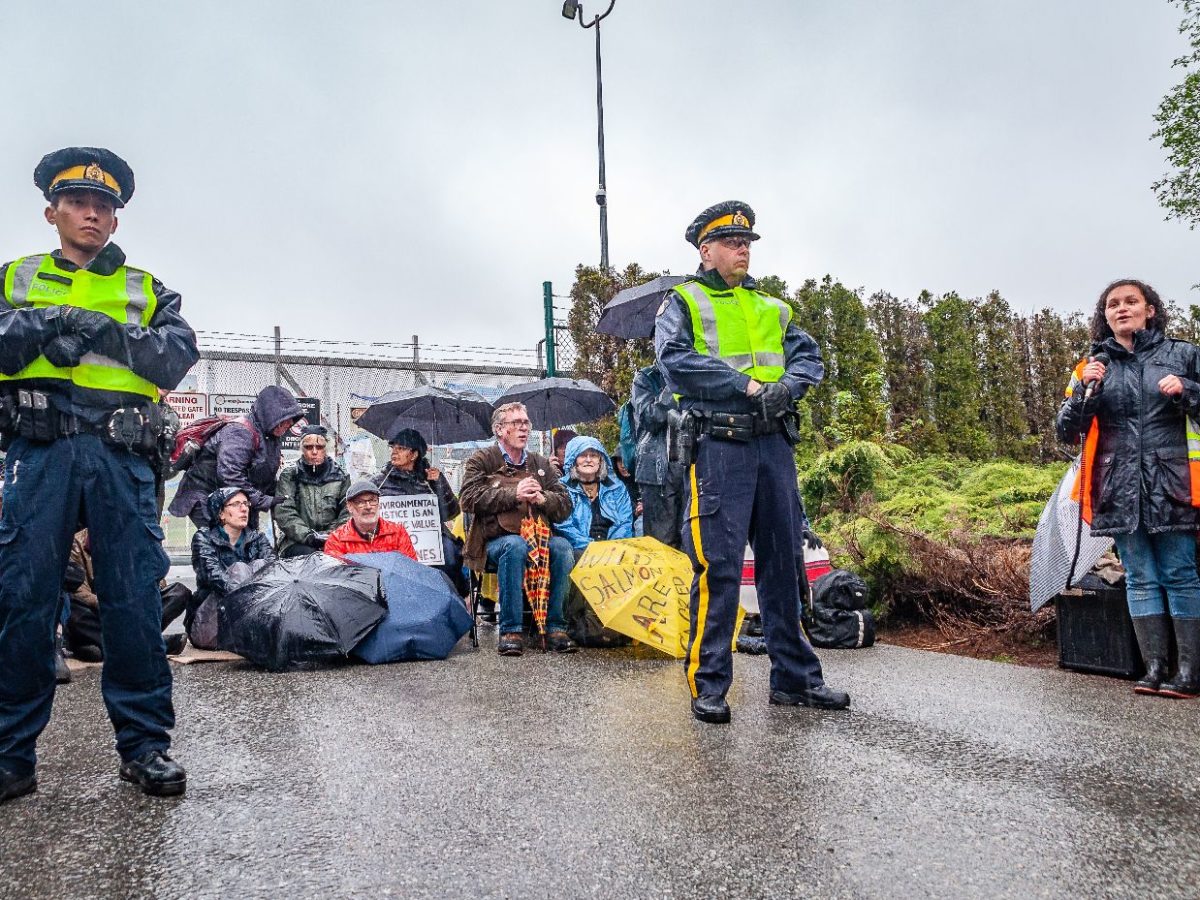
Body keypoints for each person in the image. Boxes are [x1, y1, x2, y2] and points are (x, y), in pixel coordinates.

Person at [0, 147, 199, 800]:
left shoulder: (145, 287)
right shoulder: (16, 278)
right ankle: (11, 755)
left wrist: (103, 333)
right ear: (52, 211)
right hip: (42, 451)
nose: (92, 213)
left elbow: (173, 357)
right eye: (80, 202)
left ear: (115, 222)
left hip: (121, 454)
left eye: (104, 207)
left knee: (134, 606)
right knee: (23, 604)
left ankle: (145, 749)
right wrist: (51, 322)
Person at [654, 201, 851, 724]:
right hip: (720, 448)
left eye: (748, 243)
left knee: (784, 566)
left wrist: (786, 388)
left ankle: (796, 680)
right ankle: (710, 684)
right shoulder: (684, 301)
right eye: (734, 243)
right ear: (706, 250)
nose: (743, 249)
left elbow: (809, 358)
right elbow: (676, 362)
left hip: (773, 447)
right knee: (717, 570)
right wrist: (746, 385)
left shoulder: (772, 307)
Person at [1057, 278, 1200, 699]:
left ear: (1150, 309)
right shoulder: (1092, 365)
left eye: (1131, 302)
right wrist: (1085, 390)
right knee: (1139, 576)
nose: (1121, 309)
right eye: (1112, 304)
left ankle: (1189, 673)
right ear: (1104, 316)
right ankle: (1154, 668)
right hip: (1118, 486)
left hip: (1172, 483)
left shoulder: (1183, 354)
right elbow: (1067, 430)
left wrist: (1188, 390)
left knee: (1179, 574)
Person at [459, 402, 578, 657]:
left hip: (538, 539)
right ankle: (511, 630)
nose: (523, 428)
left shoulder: (540, 463)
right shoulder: (482, 460)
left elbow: (565, 504)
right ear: (500, 430)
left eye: (526, 423)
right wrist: (514, 493)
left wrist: (542, 499)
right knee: (514, 546)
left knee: (563, 548)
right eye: (516, 423)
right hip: (494, 542)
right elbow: (467, 498)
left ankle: (555, 626)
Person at [169, 384, 303, 529]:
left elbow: (265, 476)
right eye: (283, 420)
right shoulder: (239, 432)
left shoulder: (270, 436)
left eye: (291, 419)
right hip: (207, 497)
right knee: (225, 544)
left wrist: (284, 494)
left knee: (248, 543)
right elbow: (229, 474)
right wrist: (263, 500)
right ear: (270, 416)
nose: (289, 424)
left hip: (236, 499)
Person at [66, 529, 190, 661]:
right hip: (99, 612)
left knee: (178, 593)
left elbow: (157, 579)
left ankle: (112, 645)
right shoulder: (76, 544)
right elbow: (79, 591)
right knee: (71, 607)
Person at [372, 428, 469, 595]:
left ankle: (451, 599)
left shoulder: (430, 479)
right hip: (392, 540)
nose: (394, 452)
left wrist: (439, 483)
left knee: (450, 557)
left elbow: (451, 512)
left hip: (432, 539)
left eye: (401, 448)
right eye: (393, 447)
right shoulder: (379, 481)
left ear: (414, 454)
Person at [188, 488, 276, 649]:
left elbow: (274, 571)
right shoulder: (204, 538)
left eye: (245, 504)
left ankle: (252, 630)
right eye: (236, 504)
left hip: (250, 616)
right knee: (240, 569)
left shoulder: (258, 538)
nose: (244, 509)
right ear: (221, 513)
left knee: (261, 565)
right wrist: (247, 597)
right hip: (212, 622)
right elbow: (213, 577)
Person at [631, 362, 687, 548]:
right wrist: (674, 384)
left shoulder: (697, 371)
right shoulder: (645, 378)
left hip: (694, 465)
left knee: (692, 544)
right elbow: (651, 417)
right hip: (658, 472)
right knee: (661, 546)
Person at [273, 425, 350, 558]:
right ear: (302, 449)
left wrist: (331, 536)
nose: (314, 452)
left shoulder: (341, 477)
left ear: (326, 449)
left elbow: (348, 513)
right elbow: (285, 512)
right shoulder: (290, 475)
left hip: (334, 540)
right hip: (296, 541)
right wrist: (309, 536)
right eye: (308, 447)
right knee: (311, 557)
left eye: (319, 447)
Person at [556, 436, 634, 551]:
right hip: (580, 550)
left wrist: (613, 547)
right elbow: (564, 526)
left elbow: (625, 522)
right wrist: (593, 548)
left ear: (600, 460)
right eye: (582, 455)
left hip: (614, 549)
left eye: (593, 455)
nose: (588, 460)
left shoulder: (616, 487)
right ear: (574, 460)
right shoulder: (562, 488)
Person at [324, 480, 419, 560]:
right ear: (349, 506)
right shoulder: (336, 540)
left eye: (373, 500)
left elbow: (411, 570)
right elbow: (335, 577)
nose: (368, 507)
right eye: (361, 502)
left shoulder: (397, 532)